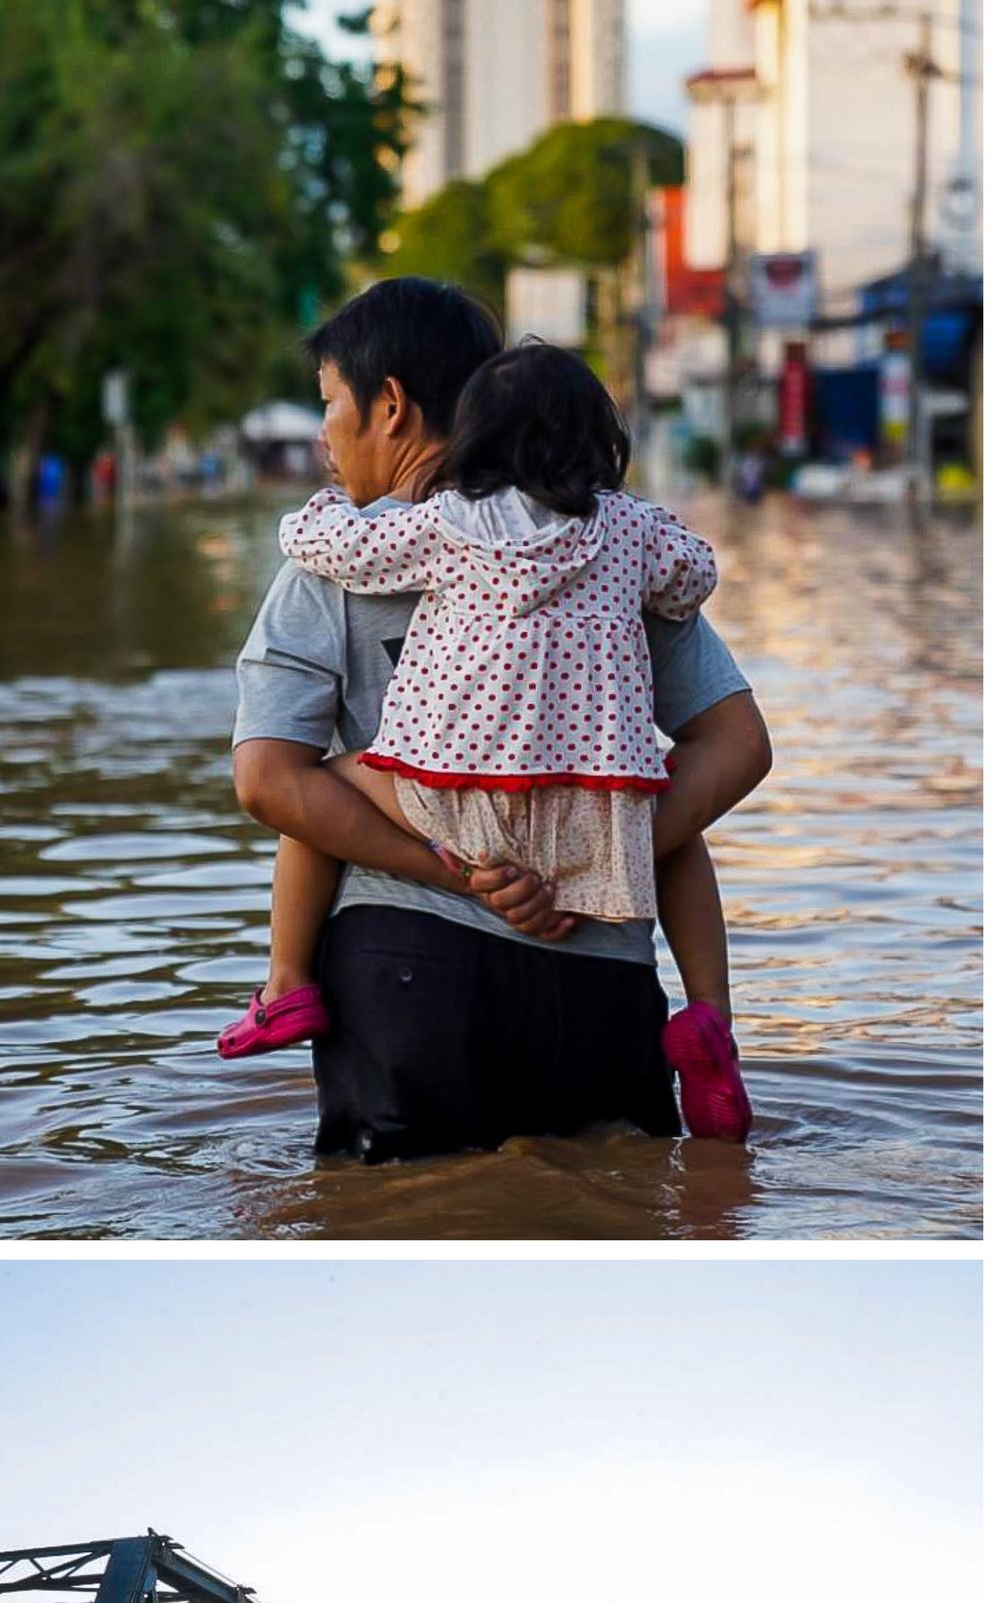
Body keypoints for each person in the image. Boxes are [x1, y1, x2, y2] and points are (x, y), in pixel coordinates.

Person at [229, 277, 773, 1164]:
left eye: (330, 406)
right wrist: (593, 862)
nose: (325, 436)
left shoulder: (338, 561)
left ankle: (282, 987)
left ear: (391, 407)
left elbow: (267, 782)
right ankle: (711, 1025)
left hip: (413, 976)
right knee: (622, 1231)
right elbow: (739, 747)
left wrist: (465, 875)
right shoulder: (612, 544)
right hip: (603, 988)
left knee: (398, 1245)